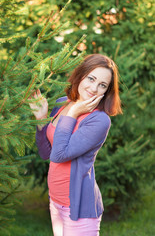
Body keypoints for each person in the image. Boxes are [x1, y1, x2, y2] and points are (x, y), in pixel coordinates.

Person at [29, 54, 122, 236]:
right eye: (91, 78)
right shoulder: (62, 104)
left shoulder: (99, 120)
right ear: (81, 75)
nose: (94, 88)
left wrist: (73, 114)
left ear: (107, 91)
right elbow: (46, 153)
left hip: (79, 208)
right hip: (55, 201)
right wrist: (41, 121)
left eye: (102, 85)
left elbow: (59, 155)